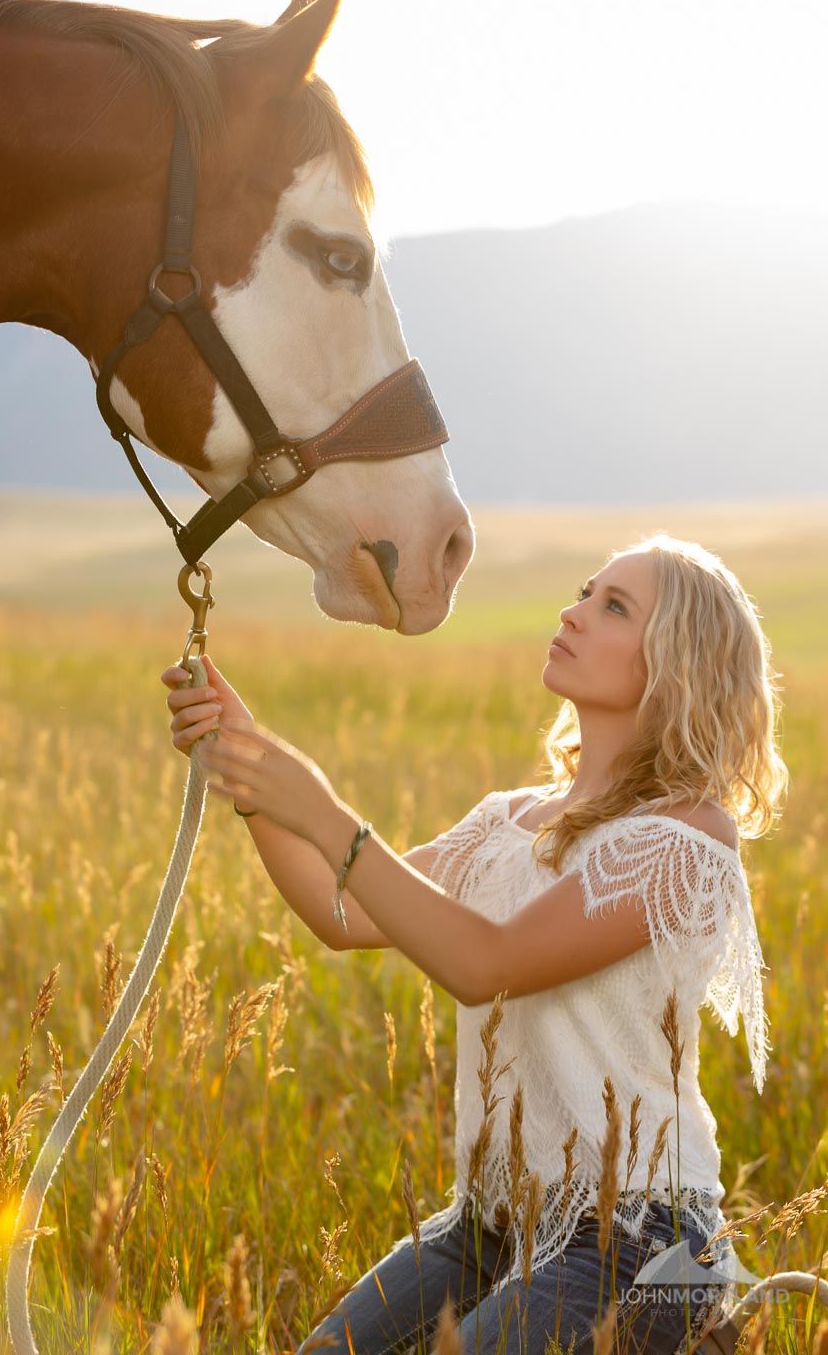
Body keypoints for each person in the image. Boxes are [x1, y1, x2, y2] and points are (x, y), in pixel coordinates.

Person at [159, 532, 786, 1355]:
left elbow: (485, 964)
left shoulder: (685, 835)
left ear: (676, 662)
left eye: (614, 607)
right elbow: (343, 914)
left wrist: (321, 810)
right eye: (584, 590)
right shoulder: (506, 821)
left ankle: (693, 1329)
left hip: (641, 1244)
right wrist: (244, 766)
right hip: (487, 1227)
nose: (573, 611)